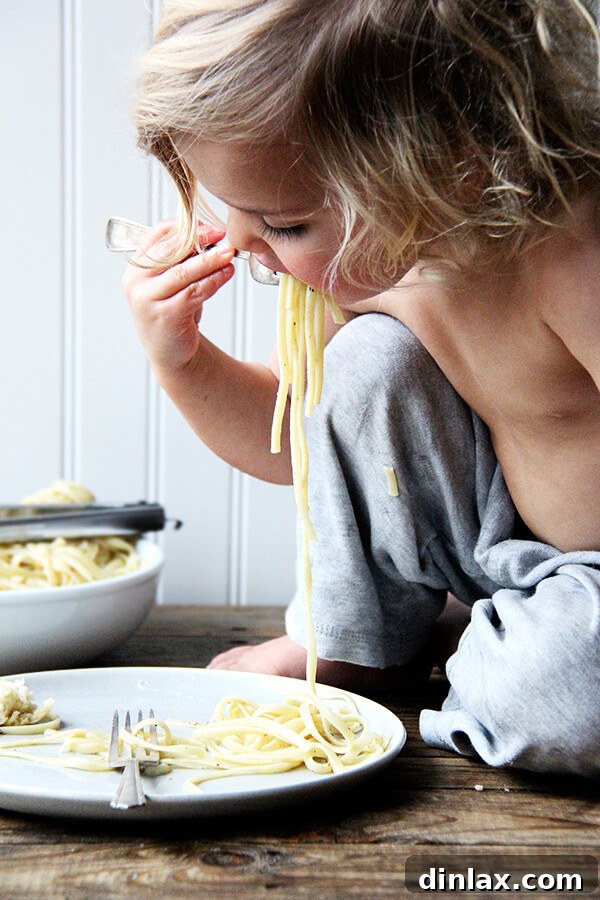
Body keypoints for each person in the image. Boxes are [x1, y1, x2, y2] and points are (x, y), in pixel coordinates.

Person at [123, 0, 600, 776]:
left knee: (557, 694)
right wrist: (183, 358)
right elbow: (299, 444)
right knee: (366, 359)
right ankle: (362, 646)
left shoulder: (572, 249)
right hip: (495, 547)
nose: (242, 243)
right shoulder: (377, 265)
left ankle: (466, 640)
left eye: (282, 223)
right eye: (232, 212)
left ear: (448, 160)